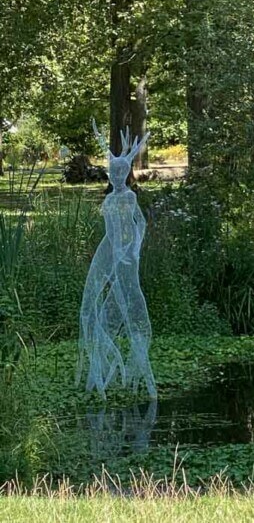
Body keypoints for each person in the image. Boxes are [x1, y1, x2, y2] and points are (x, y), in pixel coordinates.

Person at [77, 123, 156, 398]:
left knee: (128, 297)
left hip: (125, 256)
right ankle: (97, 372)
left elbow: (140, 224)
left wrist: (133, 249)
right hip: (108, 250)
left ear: (126, 173)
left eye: (120, 172)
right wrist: (115, 250)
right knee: (91, 302)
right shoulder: (110, 199)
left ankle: (135, 366)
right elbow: (111, 230)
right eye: (113, 172)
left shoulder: (130, 197)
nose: (116, 176)